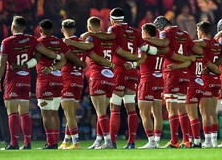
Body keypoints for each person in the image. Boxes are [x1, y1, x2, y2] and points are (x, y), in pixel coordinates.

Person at [67, 16, 136, 149]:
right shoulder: (110, 38)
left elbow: (86, 45)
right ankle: (98, 140)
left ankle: (108, 141)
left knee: (100, 113)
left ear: (89, 27)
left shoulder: (91, 38)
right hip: (111, 77)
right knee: (103, 112)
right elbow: (121, 51)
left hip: (98, 75)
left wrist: (70, 43)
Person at [0, 16, 61, 150]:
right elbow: (46, 53)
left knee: (12, 112)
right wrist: (59, 57)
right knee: (24, 113)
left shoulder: (7, 42)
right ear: (24, 27)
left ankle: (13, 143)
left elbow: (2, 63)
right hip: (26, 80)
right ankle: (27, 143)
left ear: (13, 27)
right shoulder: (32, 39)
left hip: (12, 79)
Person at [103, 8, 160, 149]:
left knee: (115, 108)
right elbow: (150, 50)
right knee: (131, 109)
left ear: (112, 19)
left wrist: (132, 58)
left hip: (120, 71)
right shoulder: (135, 32)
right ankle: (131, 142)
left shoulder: (113, 30)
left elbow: (118, 51)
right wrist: (136, 60)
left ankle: (112, 142)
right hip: (133, 72)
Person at [150, 16, 202, 148]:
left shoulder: (165, 33)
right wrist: (187, 57)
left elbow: (163, 43)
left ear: (161, 26)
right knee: (182, 109)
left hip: (171, 72)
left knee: (171, 109)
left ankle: (174, 141)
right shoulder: (184, 34)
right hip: (184, 73)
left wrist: (147, 39)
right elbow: (198, 50)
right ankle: (186, 140)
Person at [35, 19, 73, 149]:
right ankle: (55, 141)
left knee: (45, 113)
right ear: (52, 30)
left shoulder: (39, 42)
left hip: (45, 80)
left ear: (40, 30)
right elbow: (64, 60)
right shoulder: (59, 41)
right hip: (58, 79)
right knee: (54, 112)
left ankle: (50, 142)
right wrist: (54, 68)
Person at [58, 19, 88, 149]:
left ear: (62, 30)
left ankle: (76, 143)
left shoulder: (64, 44)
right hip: (79, 80)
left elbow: (61, 59)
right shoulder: (82, 43)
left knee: (68, 114)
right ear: (75, 30)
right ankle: (66, 141)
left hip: (67, 78)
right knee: (71, 114)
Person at [135, 24, 165, 148]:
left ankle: (151, 141)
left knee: (144, 112)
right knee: (157, 113)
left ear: (146, 33)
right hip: (159, 80)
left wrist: (133, 63)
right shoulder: (161, 45)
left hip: (147, 80)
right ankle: (157, 141)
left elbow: (142, 59)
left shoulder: (145, 46)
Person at [193, 21, 222, 148]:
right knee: (212, 112)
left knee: (204, 112)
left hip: (207, 79)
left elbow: (192, 43)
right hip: (217, 80)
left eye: (197, 31)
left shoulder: (205, 42)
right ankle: (214, 141)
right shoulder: (217, 43)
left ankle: (208, 141)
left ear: (201, 32)